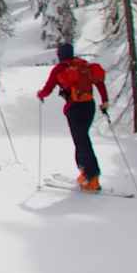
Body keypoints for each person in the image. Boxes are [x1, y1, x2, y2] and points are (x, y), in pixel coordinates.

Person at [36, 41, 109, 193]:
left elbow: (48, 88)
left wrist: (40, 94)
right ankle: (84, 172)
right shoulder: (84, 66)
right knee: (81, 140)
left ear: (59, 55)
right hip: (89, 106)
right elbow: (99, 83)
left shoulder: (60, 69)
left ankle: (92, 177)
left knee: (82, 141)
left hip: (74, 109)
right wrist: (104, 101)